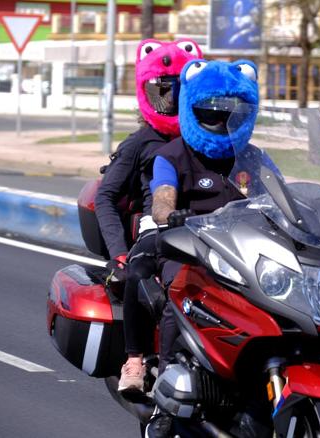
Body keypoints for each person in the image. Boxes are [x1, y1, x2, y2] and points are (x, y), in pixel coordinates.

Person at [144, 59, 262, 438]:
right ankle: (163, 399)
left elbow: (282, 195)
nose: (221, 116)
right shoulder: (173, 155)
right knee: (178, 300)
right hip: (188, 247)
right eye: (212, 109)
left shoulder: (254, 158)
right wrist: (171, 215)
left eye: (232, 110)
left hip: (242, 251)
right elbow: (161, 198)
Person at [93, 38, 202, 393]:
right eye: (162, 88)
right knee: (140, 276)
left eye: (179, 88)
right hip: (157, 230)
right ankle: (135, 359)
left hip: (206, 232)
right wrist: (118, 254)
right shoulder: (140, 142)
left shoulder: (206, 137)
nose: (170, 97)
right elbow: (106, 196)